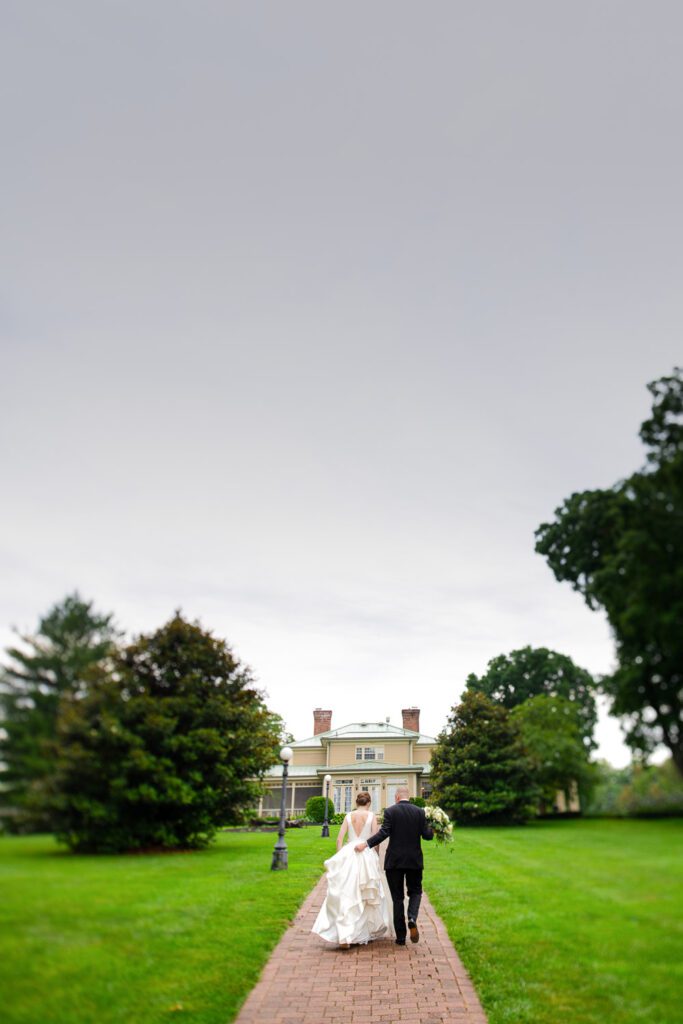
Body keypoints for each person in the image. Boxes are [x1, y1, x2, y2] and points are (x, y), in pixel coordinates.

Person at [311, 792, 393, 948]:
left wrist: (341, 855)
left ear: (357, 802)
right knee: (364, 893)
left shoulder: (348, 816)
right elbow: (376, 839)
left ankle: (345, 935)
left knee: (347, 892)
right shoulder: (371, 816)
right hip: (365, 853)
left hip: (349, 853)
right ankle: (359, 931)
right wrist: (375, 855)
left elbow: (339, 839)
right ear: (369, 803)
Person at [354, 785, 433, 946]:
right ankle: (412, 917)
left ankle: (401, 937)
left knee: (397, 898)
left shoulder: (390, 812)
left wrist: (366, 844)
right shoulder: (420, 812)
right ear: (408, 797)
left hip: (394, 862)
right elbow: (427, 836)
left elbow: (384, 833)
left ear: (397, 797)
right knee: (415, 891)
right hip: (414, 861)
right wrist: (434, 827)